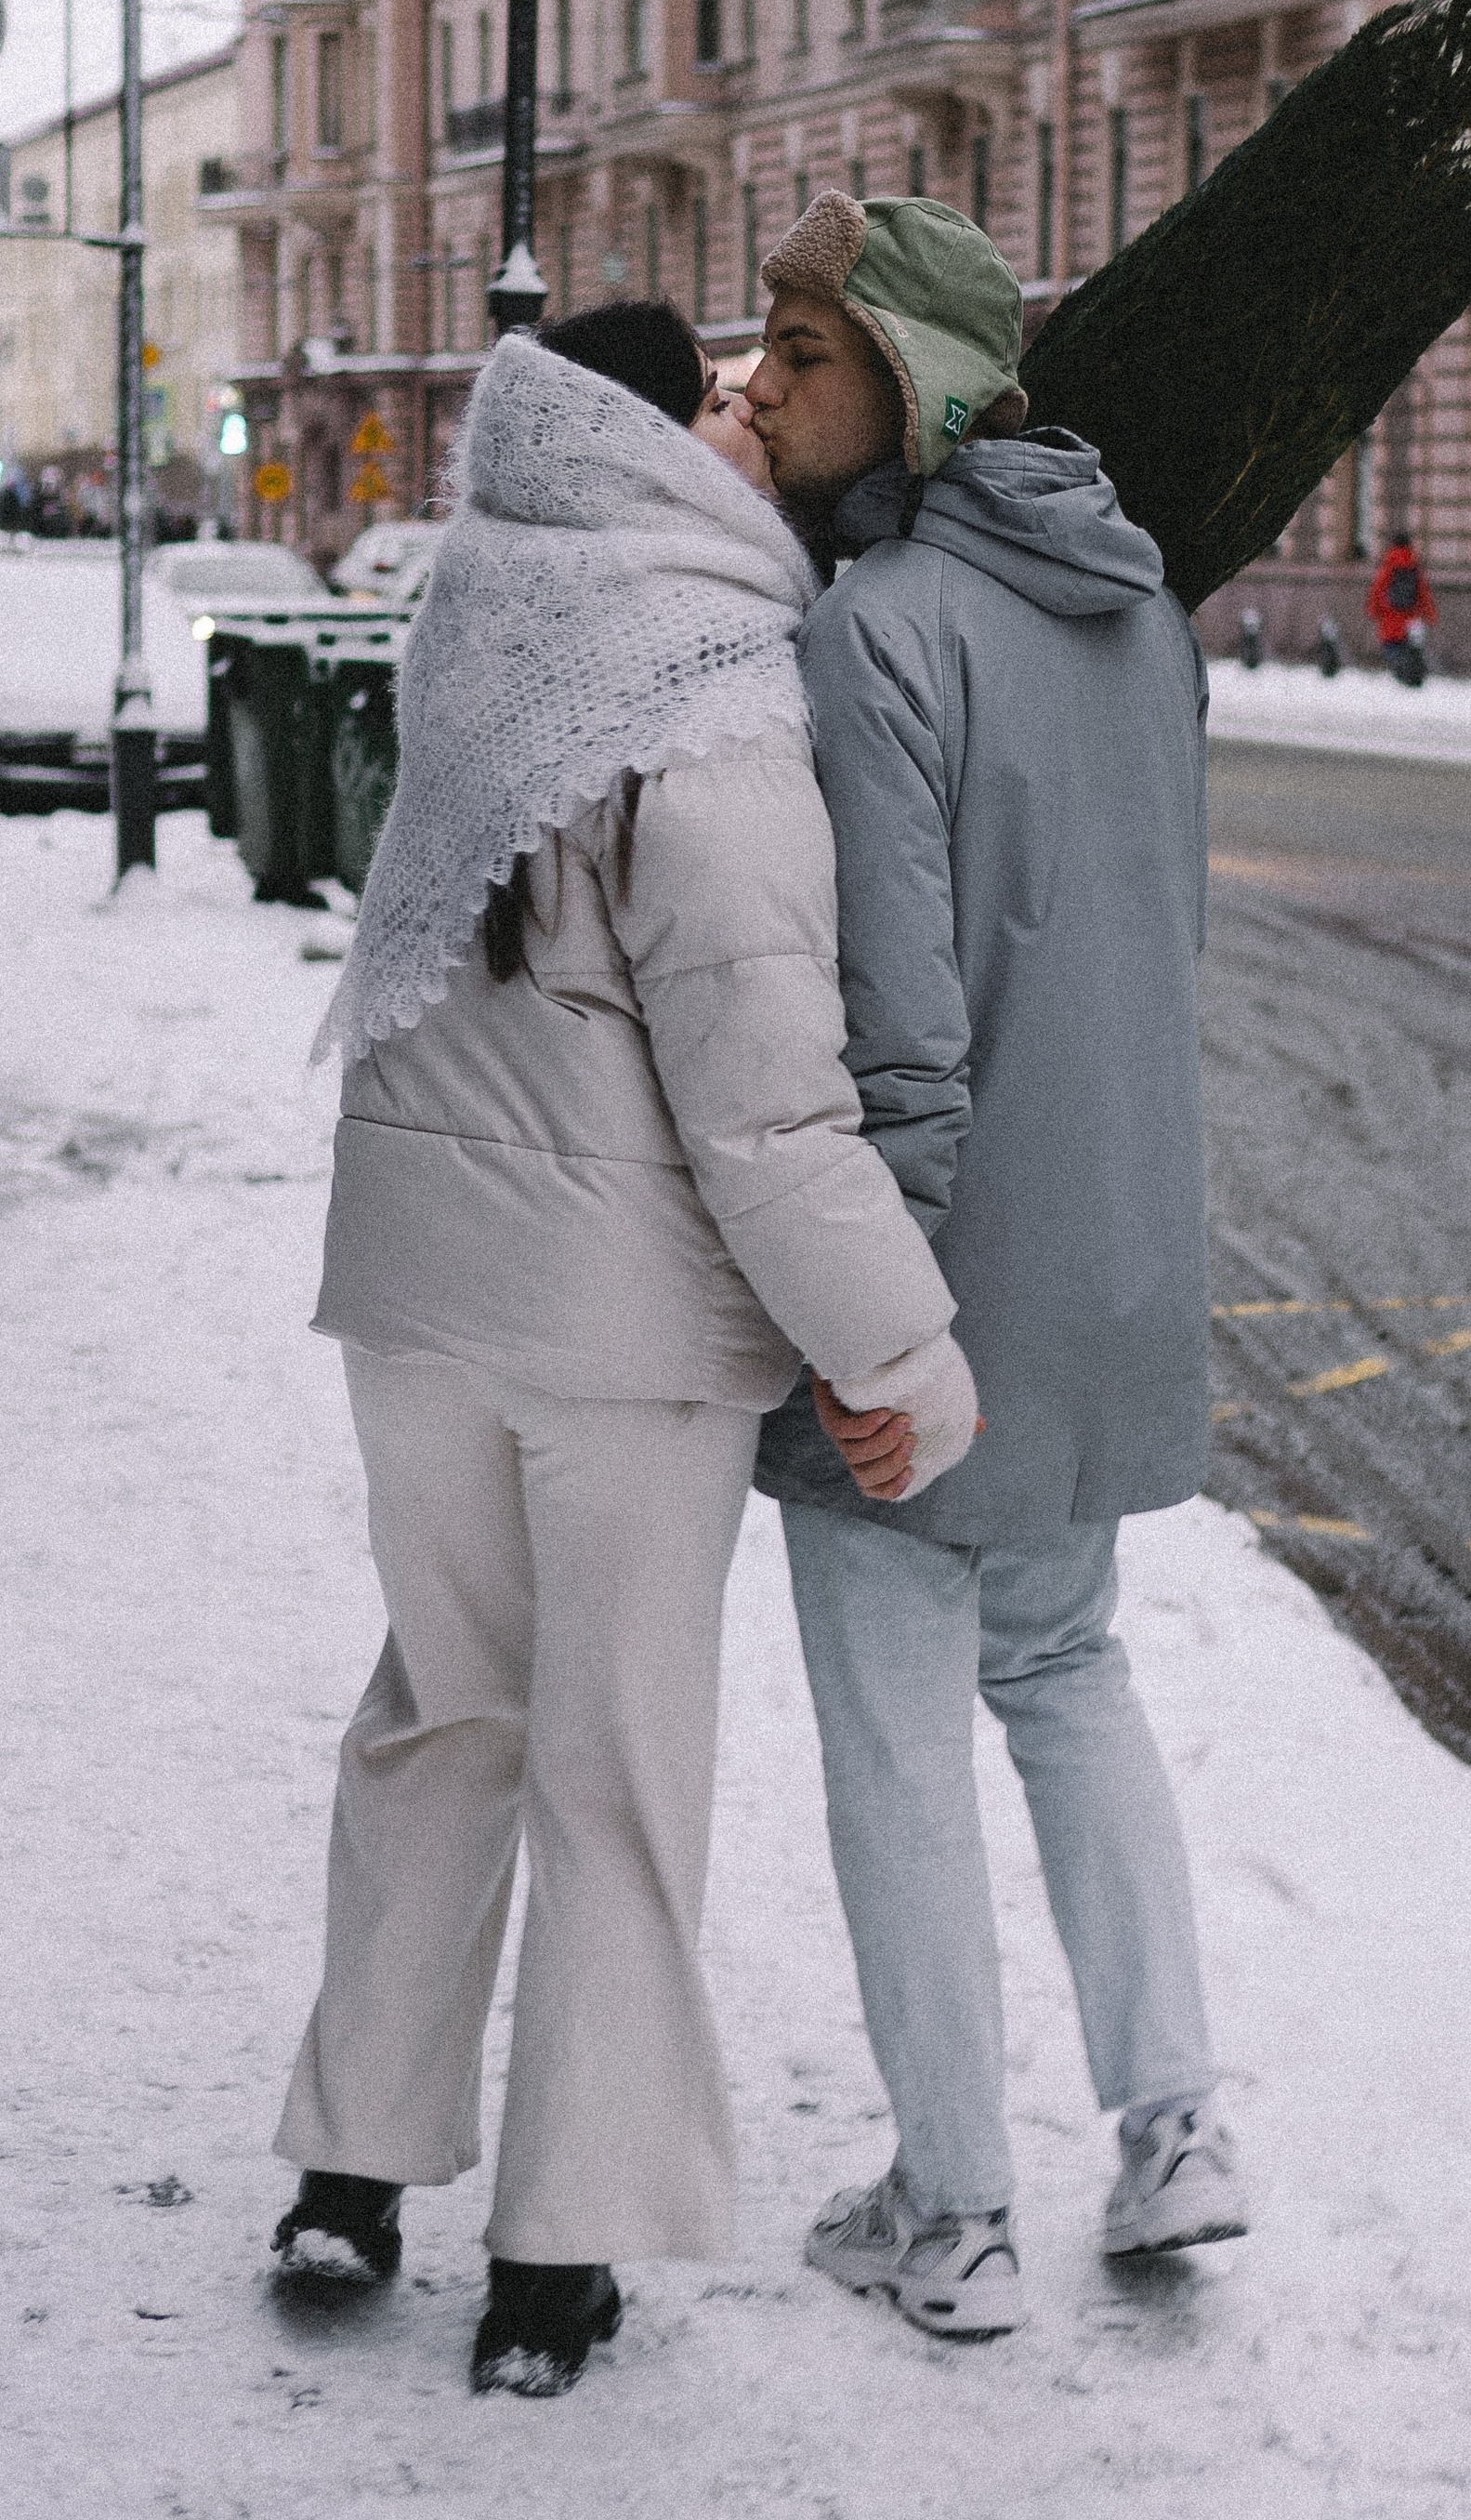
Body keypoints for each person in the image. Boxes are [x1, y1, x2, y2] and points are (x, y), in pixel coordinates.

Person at [272, 298, 974, 2398]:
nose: (752, 424)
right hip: (618, 1334)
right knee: (611, 1766)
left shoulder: (474, 606)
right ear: (647, 436)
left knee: (438, 1715)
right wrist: (904, 1350)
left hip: (412, 1288)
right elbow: (765, 1099)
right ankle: (556, 2252)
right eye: (720, 400)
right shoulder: (704, 670)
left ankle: (346, 2171)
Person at [734, 191, 1244, 2342]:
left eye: (803, 353)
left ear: (921, 398)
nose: (760, 383)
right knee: (1066, 1674)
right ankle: (1176, 2126)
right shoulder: (1143, 610)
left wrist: (879, 1328)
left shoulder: (879, 630)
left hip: (943, 1295)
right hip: (1122, 1264)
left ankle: (950, 2210)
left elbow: (901, 1032)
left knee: (897, 1750)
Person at [1365, 529, 1437, 683]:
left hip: (1389, 616)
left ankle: (1401, 673)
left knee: (1391, 648)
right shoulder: (1414, 565)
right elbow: (1423, 592)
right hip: (1410, 616)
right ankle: (1409, 674)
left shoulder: (1388, 564)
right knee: (1407, 648)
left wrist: (1372, 610)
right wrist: (1430, 614)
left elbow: (1377, 589)